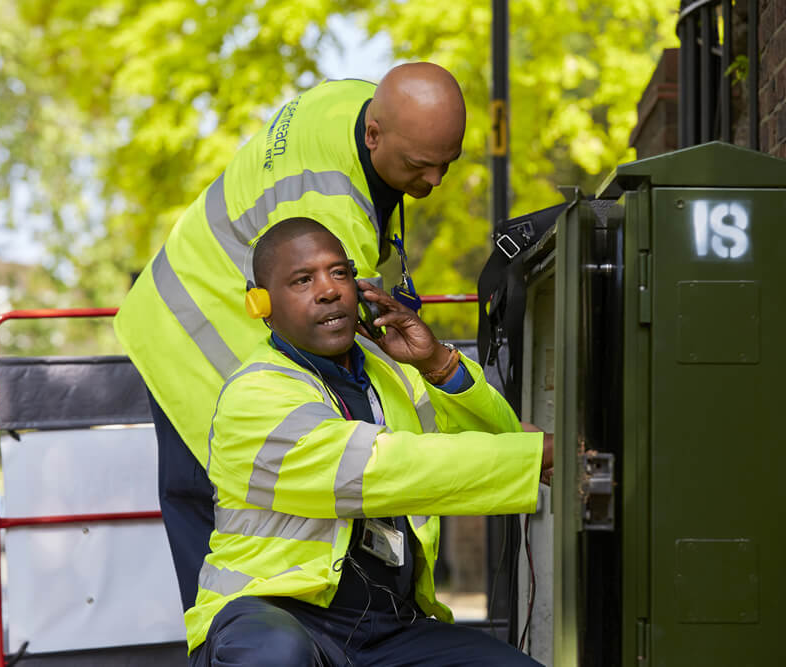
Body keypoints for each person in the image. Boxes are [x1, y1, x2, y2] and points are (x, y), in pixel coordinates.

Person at [114, 63, 468, 609]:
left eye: (448, 163)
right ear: (374, 134)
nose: (436, 181)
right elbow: (365, 355)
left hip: (180, 318)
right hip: (198, 343)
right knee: (239, 549)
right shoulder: (329, 217)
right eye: (421, 166)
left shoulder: (351, 103)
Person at [185, 218, 553, 665]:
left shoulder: (394, 375)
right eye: (303, 279)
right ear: (261, 303)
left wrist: (437, 362)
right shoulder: (256, 393)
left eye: (340, 273)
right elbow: (374, 469)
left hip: (389, 626)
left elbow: (499, 443)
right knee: (276, 657)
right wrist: (532, 455)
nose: (329, 290)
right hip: (275, 612)